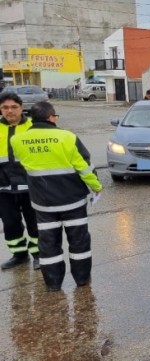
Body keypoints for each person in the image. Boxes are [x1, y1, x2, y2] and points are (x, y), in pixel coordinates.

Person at [10, 102, 103, 292]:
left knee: (48, 244)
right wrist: (96, 187)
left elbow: (21, 164)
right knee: (79, 242)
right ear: (51, 117)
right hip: (73, 201)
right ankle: (82, 280)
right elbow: (84, 167)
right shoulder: (67, 137)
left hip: (42, 203)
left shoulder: (17, 140)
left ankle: (53, 283)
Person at [0, 92, 40, 270]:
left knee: (35, 222)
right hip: (4, 188)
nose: (10, 111)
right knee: (10, 223)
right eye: (5, 107)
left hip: (30, 186)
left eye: (14, 107)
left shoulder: (34, 128)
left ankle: (39, 254)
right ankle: (19, 255)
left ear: (21, 108)